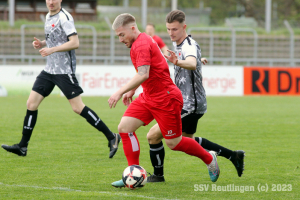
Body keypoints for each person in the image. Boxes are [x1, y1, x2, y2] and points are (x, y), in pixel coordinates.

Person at [107, 13, 220, 188]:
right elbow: (146, 73)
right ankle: (132, 173)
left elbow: (143, 73)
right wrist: (132, 90)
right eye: (118, 36)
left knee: (174, 143)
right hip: (148, 96)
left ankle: (209, 158)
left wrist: (120, 92)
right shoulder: (139, 41)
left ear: (132, 28)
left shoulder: (142, 44)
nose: (120, 39)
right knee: (124, 128)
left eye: (121, 35)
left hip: (166, 98)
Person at [1, 0, 121, 159]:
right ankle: (23, 146)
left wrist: (52, 49)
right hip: (49, 70)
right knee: (31, 104)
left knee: (78, 108)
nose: (51, 2)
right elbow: (55, 39)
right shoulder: (47, 16)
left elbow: (75, 42)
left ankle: (112, 136)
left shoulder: (65, 17)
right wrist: (42, 43)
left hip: (64, 71)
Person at [146, 10, 245, 183]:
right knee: (189, 140)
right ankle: (233, 156)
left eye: (175, 29)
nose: (171, 33)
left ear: (184, 27)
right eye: (168, 29)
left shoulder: (188, 45)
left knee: (153, 136)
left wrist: (181, 62)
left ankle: (158, 176)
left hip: (188, 104)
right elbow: (193, 60)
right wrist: (199, 59)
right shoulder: (182, 45)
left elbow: (191, 63)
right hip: (191, 103)